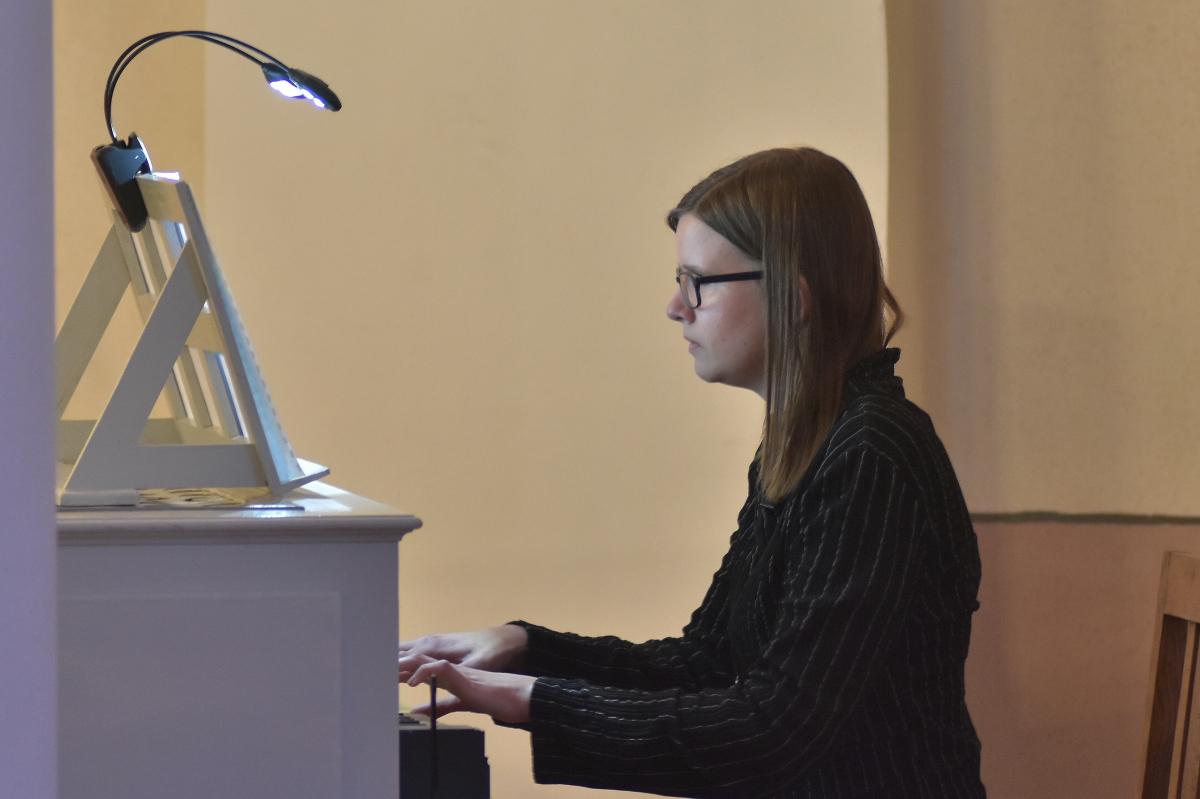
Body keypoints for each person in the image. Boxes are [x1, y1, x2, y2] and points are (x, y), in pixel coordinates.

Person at [398, 147, 986, 798]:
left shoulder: (870, 455)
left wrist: (529, 699)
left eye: (697, 282)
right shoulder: (806, 443)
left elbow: (774, 731)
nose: (676, 307)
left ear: (792, 296)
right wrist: (523, 646)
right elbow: (705, 660)